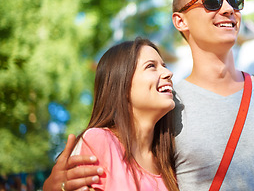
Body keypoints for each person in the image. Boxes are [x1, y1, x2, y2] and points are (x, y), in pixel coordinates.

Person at [43, 0, 254, 191]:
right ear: (180, 21)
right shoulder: (167, 103)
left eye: (234, 1)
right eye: (211, 2)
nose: (228, 9)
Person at [43, 38, 179, 191]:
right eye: (151, 66)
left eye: (164, 66)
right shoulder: (99, 141)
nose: (168, 73)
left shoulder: (170, 163)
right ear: (123, 84)